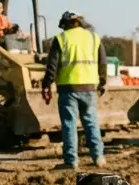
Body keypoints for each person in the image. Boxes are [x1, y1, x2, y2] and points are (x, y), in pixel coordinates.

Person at [42, 11, 108, 170]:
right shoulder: (93, 38)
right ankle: (98, 157)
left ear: (65, 24)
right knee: (91, 122)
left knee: (69, 124)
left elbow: (52, 66)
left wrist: (46, 85)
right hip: (90, 87)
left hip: (68, 88)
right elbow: (103, 63)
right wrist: (102, 83)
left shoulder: (61, 39)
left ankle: (71, 161)